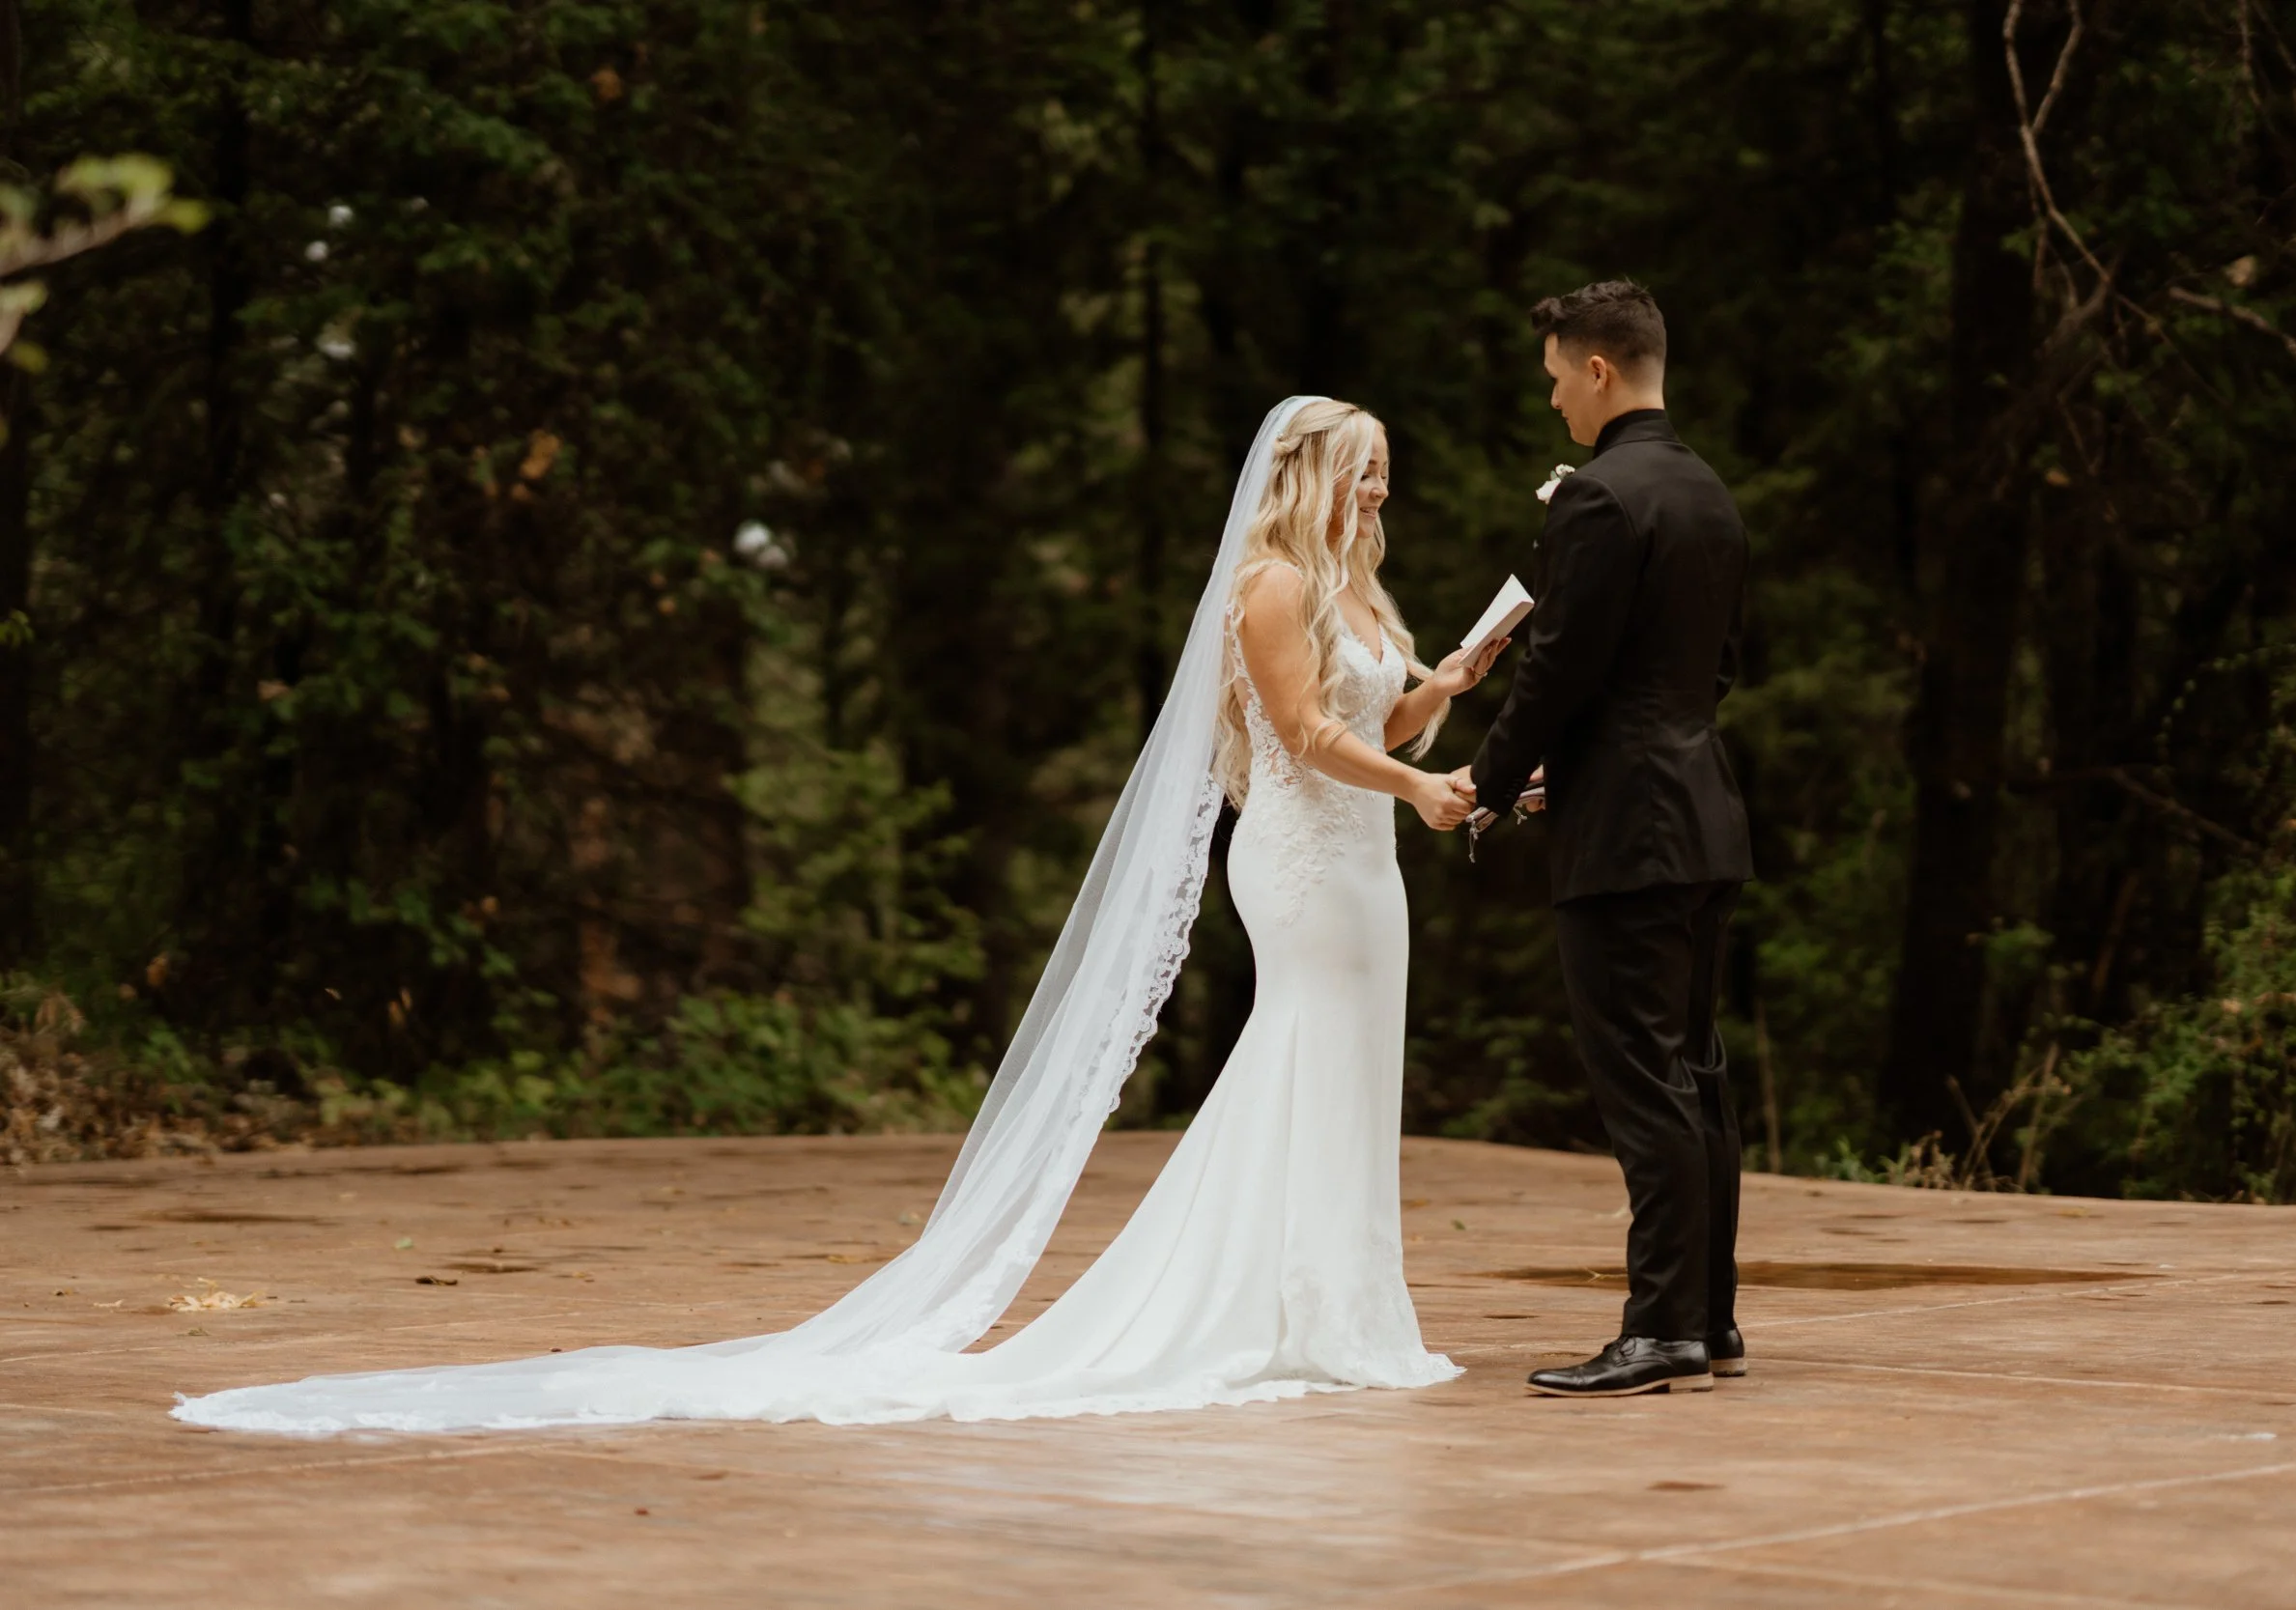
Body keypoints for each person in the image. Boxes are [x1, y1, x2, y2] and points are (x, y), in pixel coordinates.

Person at [171, 397, 1502, 1433]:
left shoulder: (1356, 588)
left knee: (1344, 1070)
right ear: (1309, 471)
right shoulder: (1272, 581)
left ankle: (1339, 1304)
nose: (1380, 484)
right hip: (1304, 861)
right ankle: (1286, 1308)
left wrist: (1448, 679)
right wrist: (1421, 781)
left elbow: (1372, 718)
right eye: (1363, 464)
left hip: (1369, 858)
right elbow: (1304, 731)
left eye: (1384, 465)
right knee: (1296, 1058)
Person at [1450, 279, 1755, 1398]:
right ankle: (1708, 1318)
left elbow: (1558, 665)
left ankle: (1660, 1328)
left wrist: (1487, 779)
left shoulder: (1597, 496)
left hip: (1626, 832)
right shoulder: (1709, 492)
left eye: (1554, 381)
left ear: (1596, 370)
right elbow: (1711, 668)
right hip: (1704, 810)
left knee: (1642, 1083)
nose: (1553, 408)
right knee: (1695, 1073)